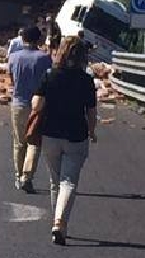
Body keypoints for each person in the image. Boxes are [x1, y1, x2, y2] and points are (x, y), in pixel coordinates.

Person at [32, 36, 97, 246]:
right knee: (68, 181)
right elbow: (92, 112)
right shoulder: (86, 80)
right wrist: (92, 131)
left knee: (54, 180)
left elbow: (37, 104)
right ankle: (60, 222)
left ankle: (56, 221)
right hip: (76, 135)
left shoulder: (50, 75)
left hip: (50, 134)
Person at [8, 26, 52, 193]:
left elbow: (12, 79)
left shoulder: (13, 57)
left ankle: (18, 176)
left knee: (19, 143)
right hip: (38, 105)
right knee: (34, 142)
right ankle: (27, 176)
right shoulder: (44, 58)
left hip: (18, 103)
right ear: (38, 39)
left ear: (23, 38)